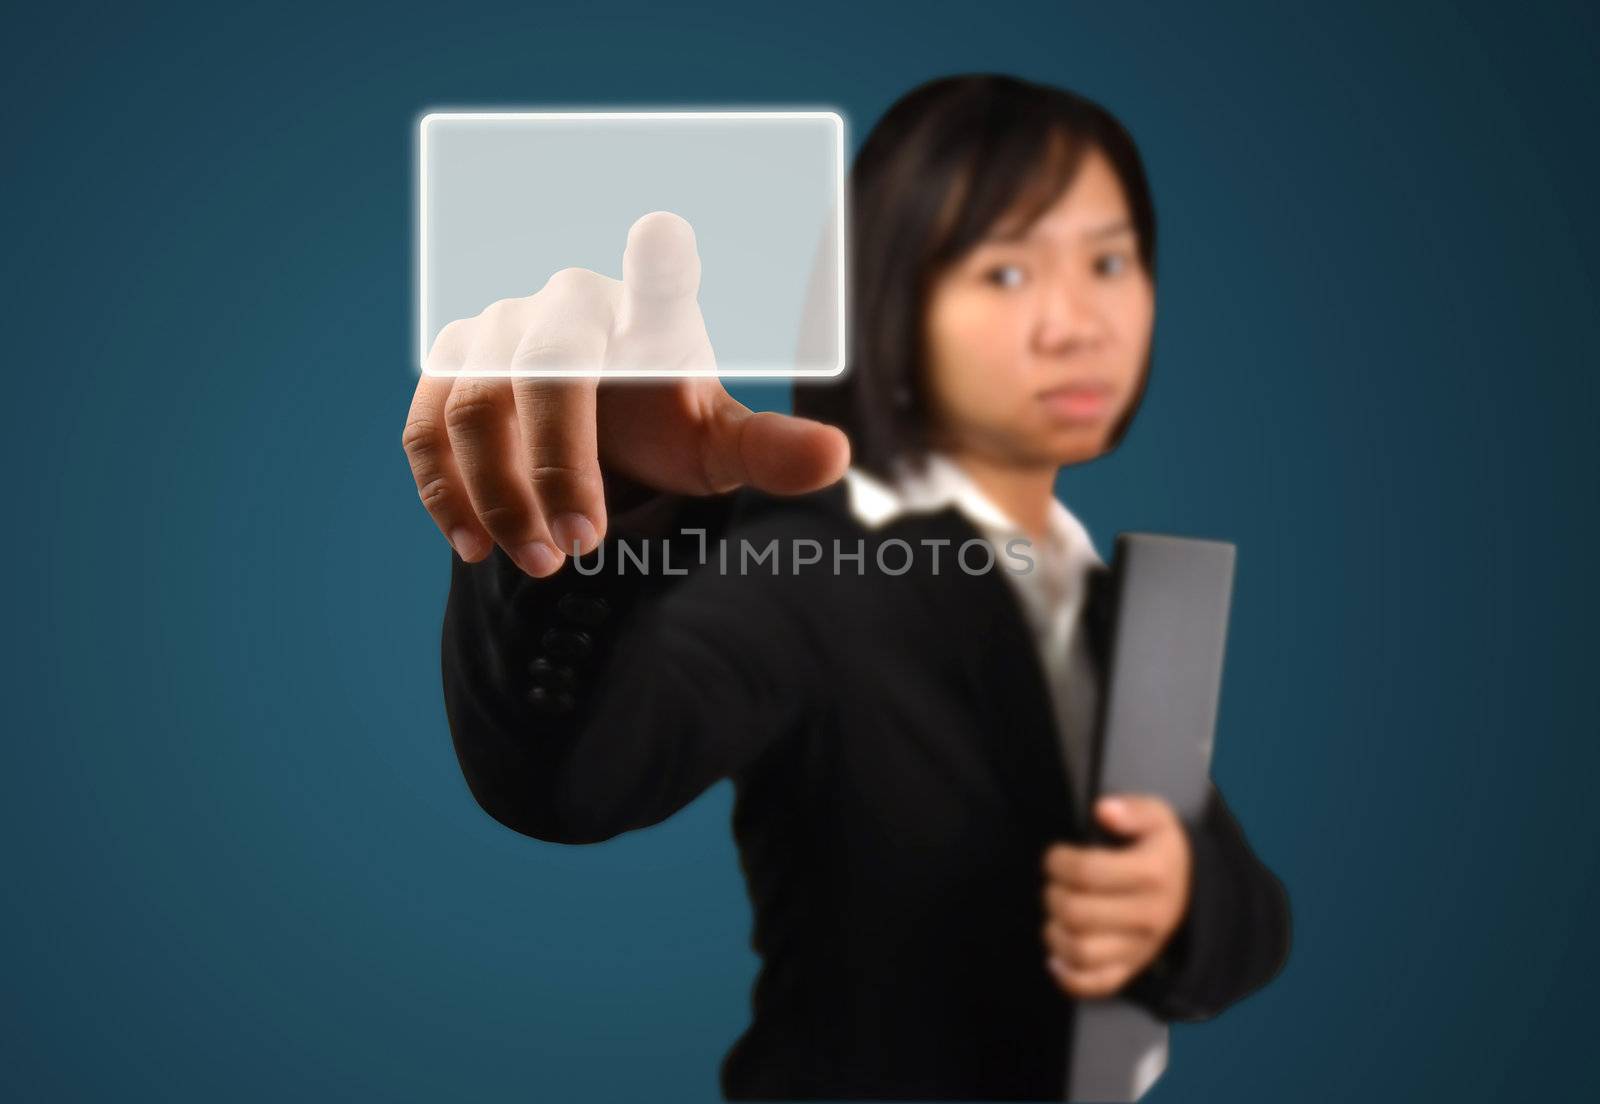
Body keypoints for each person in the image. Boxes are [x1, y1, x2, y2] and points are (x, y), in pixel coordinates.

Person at [401, 73, 1291, 1100]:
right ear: (885, 295)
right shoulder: (823, 562)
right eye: (1005, 272)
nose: (1075, 321)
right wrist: (608, 505)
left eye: (1107, 259)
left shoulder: (1086, 588)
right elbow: (573, 775)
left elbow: (1247, 913)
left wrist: (1182, 898)